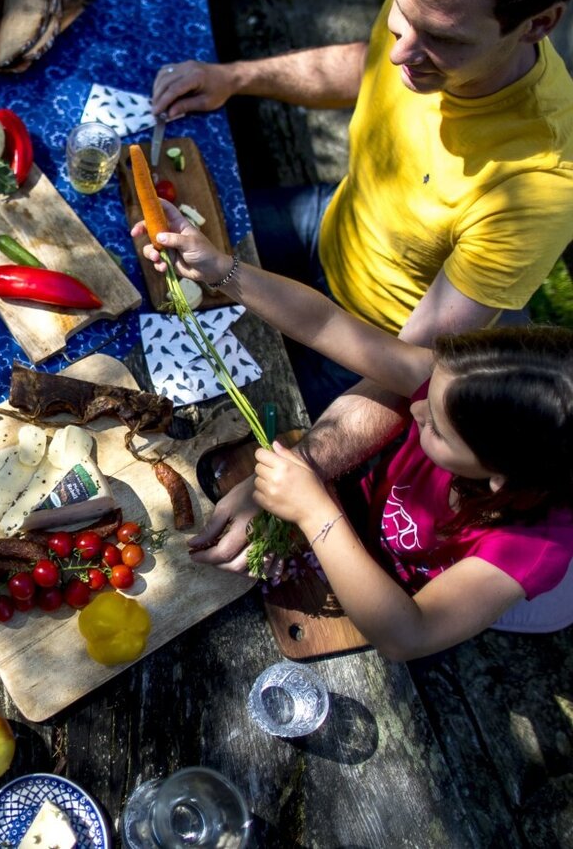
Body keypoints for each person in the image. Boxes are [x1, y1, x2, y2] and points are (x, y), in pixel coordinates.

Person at [151, 0, 573, 421]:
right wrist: (233, 77)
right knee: (140, 259)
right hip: (327, 224)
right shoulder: (433, 7)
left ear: (538, 24)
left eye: (443, 41)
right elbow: (368, 65)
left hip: (368, 344)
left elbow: (411, 370)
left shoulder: (541, 185)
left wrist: (230, 275)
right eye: (402, 19)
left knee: (189, 413)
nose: (403, 53)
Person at [135, 205, 573, 660]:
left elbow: (409, 635)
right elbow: (324, 324)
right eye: (429, 387)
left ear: (500, 474)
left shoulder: (532, 547)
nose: (414, 406)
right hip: (354, 521)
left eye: (437, 429)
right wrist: (222, 269)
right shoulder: (460, 389)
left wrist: (313, 512)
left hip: (388, 603)